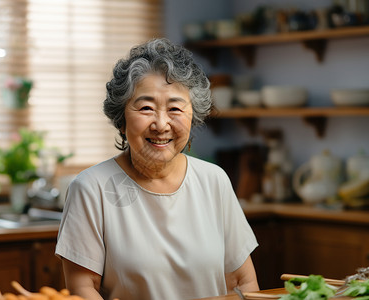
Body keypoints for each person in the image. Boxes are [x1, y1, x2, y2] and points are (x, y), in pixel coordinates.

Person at [55, 37, 259, 300]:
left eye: (175, 108)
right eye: (146, 108)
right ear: (121, 120)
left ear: (192, 116)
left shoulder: (214, 180)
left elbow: (243, 282)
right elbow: (84, 290)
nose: (161, 124)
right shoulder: (90, 188)